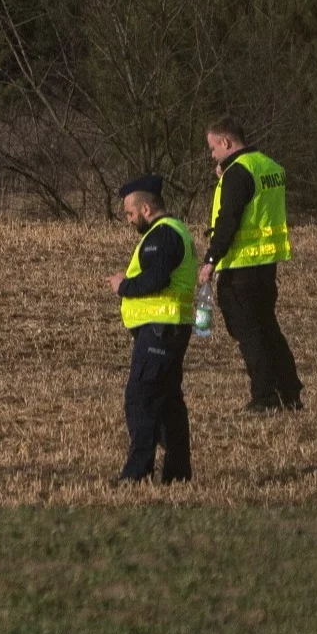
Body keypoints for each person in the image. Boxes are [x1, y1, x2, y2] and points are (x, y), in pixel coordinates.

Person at [200, 117, 303, 411]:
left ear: (226, 142)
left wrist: (211, 259)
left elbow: (228, 220)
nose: (212, 155)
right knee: (268, 328)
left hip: (240, 265)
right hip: (266, 264)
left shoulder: (237, 173)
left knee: (249, 334)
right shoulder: (269, 167)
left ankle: (264, 396)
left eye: (213, 148)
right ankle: (289, 392)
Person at [107, 175, 196, 484]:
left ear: (145, 209)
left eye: (130, 213)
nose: (129, 220)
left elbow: (156, 279)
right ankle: (177, 473)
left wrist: (123, 286)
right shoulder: (175, 231)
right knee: (168, 400)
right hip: (169, 327)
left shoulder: (162, 235)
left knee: (141, 397)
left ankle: (137, 472)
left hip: (161, 328)